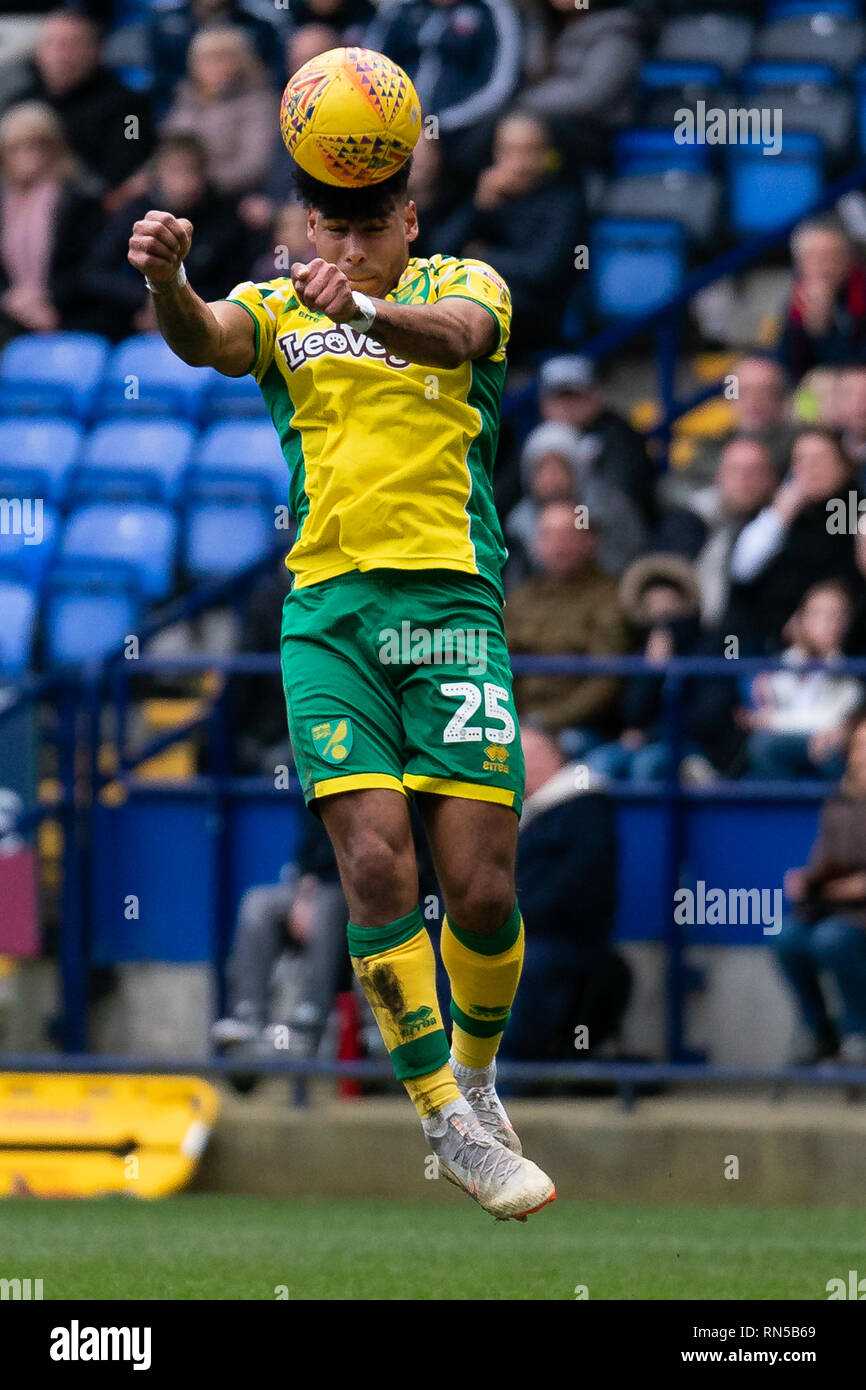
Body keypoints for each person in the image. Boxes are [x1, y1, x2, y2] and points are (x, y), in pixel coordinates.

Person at [127, 151, 555, 1219]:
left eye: (371, 231)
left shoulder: (468, 285)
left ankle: (479, 1076)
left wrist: (364, 307)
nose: (350, 248)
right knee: (371, 860)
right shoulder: (276, 305)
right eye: (333, 232)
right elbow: (208, 341)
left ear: (409, 221)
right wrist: (168, 284)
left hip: (453, 609)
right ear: (309, 228)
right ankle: (441, 1118)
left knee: (483, 886)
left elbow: (457, 339)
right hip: (329, 616)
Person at [498, 726, 630, 1066]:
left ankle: (511, 1073)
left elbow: (577, 888)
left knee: (526, 966)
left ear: (546, 759)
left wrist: (510, 920)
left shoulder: (583, 810)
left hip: (563, 941)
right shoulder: (523, 813)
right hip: (523, 933)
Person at [441, 111, 585, 358]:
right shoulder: (490, 194)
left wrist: (480, 257)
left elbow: (542, 270)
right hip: (479, 303)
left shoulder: (565, 200)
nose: (519, 163)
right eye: (509, 151)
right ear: (496, 154)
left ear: (547, 154)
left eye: (529, 151)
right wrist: (479, 206)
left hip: (539, 316)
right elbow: (439, 252)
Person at [83, 131, 254, 339]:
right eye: (176, 171)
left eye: (193, 171)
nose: (186, 183)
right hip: (133, 321)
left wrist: (176, 304)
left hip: (206, 323)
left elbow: (237, 287)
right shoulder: (136, 213)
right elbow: (95, 272)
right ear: (159, 173)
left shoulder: (227, 218)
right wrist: (147, 299)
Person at [505, 499, 628, 755]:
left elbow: (606, 681)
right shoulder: (521, 598)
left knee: (567, 745)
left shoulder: (609, 597)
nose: (558, 545)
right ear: (536, 545)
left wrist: (545, 721)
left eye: (569, 534)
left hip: (579, 727)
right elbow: (497, 662)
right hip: (516, 721)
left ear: (590, 541)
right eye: (548, 535)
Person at [777, 713, 866, 1064]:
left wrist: (849, 888)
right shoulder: (838, 801)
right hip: (834, 908)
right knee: (787, 938)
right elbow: (824, 862)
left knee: (833, 939)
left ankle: (859, 1032)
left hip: (854, 916)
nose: (862, 756)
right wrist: (807, 881)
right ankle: (820, 1031)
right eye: (858, 746)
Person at [725, 426, 860, 651]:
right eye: (802, 461)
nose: (810, 469)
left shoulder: (857, 510)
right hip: (774, 638)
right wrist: (779, 516)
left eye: (820, 460)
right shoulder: (780, 513)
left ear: (843, 464)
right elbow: (742, 570)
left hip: (846, 636)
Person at [0, 8, 155, 204]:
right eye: (52, 44)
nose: (61, 56)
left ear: (96, 51)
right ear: (39, 53)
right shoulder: (19, 104)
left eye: (71, 45)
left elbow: (128, 169)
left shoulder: (128, 110)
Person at [0, 101, 104, 343]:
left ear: (56, 147)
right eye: (16, 148)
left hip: (71, 314)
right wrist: (12, 301)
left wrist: (46, 299)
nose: (27, 155)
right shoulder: (3, 202)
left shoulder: (80, 199)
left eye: (37, 145)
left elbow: (92, 268)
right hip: (12, 312)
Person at [739, 581, 862, 781]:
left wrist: (775, 721)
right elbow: (760, 710)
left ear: (847, 623)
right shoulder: (782, 663)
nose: (826, 623)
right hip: (783, 747)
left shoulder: (851, 673)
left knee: (828, 753)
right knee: (762, 747)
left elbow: (832, 720)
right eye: (817, 614)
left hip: (827, 751)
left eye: (836, 615)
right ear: (801, 618)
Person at [505, 419, 646, 584]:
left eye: (560, 467)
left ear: (577, 470)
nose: (551, 478)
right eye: (541, 468)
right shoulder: (520, 521)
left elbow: (621, 561)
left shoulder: (595, 509)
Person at [161, 25, 278, 197]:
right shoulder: (184, 99)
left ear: (242, 62)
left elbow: (256, 164)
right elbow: (167, 149)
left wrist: (200, 182)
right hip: (177, 192)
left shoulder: (259, 102)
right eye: (206, 59)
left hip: (230, 196)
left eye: (222, 59)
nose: (214, 67)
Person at [777, 217, 866, 382]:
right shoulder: (797, 299)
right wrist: (812, 326)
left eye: (831, 256)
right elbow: (789, 367)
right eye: (813, 257)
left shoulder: (861, 290)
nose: (824, 265)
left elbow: (854, 365)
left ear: (848, 260)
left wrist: (822, 331)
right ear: (799, 264)